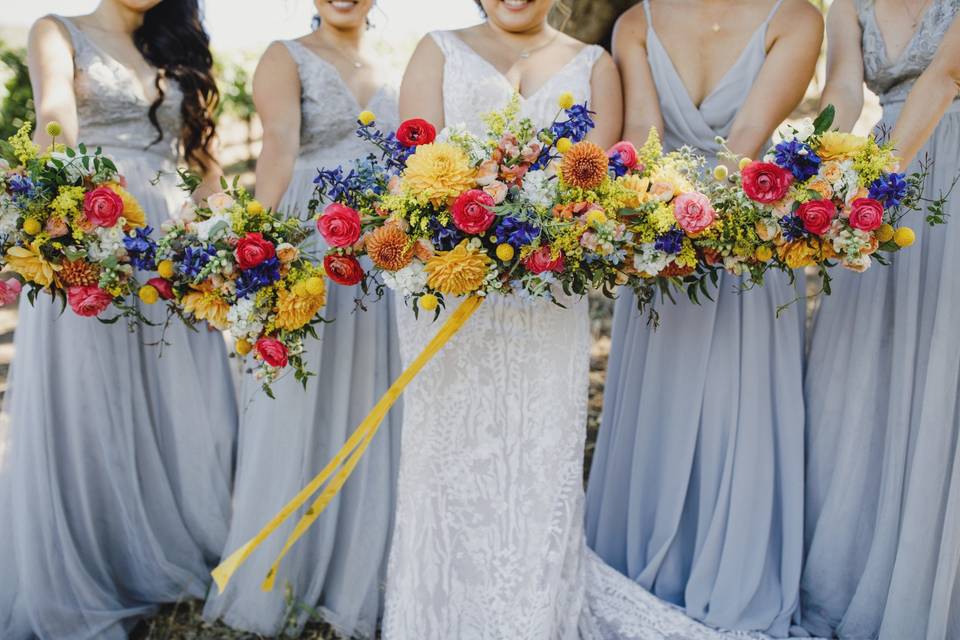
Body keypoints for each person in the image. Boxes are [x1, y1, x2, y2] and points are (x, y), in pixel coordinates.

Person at [0, 1, 237, 638]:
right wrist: (73, 221)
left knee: (181, 394)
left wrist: (236, 235)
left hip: (168, 233)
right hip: (92, 227)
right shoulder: (58, 30)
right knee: (91, 395)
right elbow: (55, 123)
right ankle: (99, 559)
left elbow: (201, 158)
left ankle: (172, 540)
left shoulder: (176, 42)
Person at [585, 0, 822, 635]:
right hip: (658, 239)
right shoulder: (636, 21)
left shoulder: (795, 19)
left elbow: (746, 141)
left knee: (735, 406)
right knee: (656, 401)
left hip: (745, 232)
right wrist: (647, 222)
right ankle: (648, 565)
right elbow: (642, 136)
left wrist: (683, 220)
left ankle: (730, 573)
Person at [201, 1, 403, 637]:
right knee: (300, 397)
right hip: (309, 240)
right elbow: (278, 154)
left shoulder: (400, 60)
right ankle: (278, 575)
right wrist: (258, 257)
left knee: (374, 389)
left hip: (386, 246)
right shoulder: (283, 56)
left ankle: (364, 568)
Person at [800, 0, 960, 637]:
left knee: (942, 356)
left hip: (941, 166)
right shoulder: (849, 5)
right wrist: (823, 162)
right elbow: (842, 82)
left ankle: (926, 582)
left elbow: (947, 77)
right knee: (860, 365)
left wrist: (875, 183)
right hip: (878, 170)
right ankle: (853, 565)